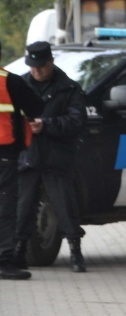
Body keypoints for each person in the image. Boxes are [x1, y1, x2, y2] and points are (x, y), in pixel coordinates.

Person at [15, 41, 88, 273]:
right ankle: (18, 252)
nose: (36, 70)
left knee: (65, 207)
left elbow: (77, 121)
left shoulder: (68, 88)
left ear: (50, 62)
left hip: (56, 157)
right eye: (32, 66)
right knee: (23, 208)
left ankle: (75, 252)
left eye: (40, 66)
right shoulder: (20, 85)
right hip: (27, 156)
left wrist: (46, 125)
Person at [0, 41, 43, 280]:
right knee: (5, 206)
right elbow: (37, 105)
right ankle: (4, 261)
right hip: (5, 154)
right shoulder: (10, 81)